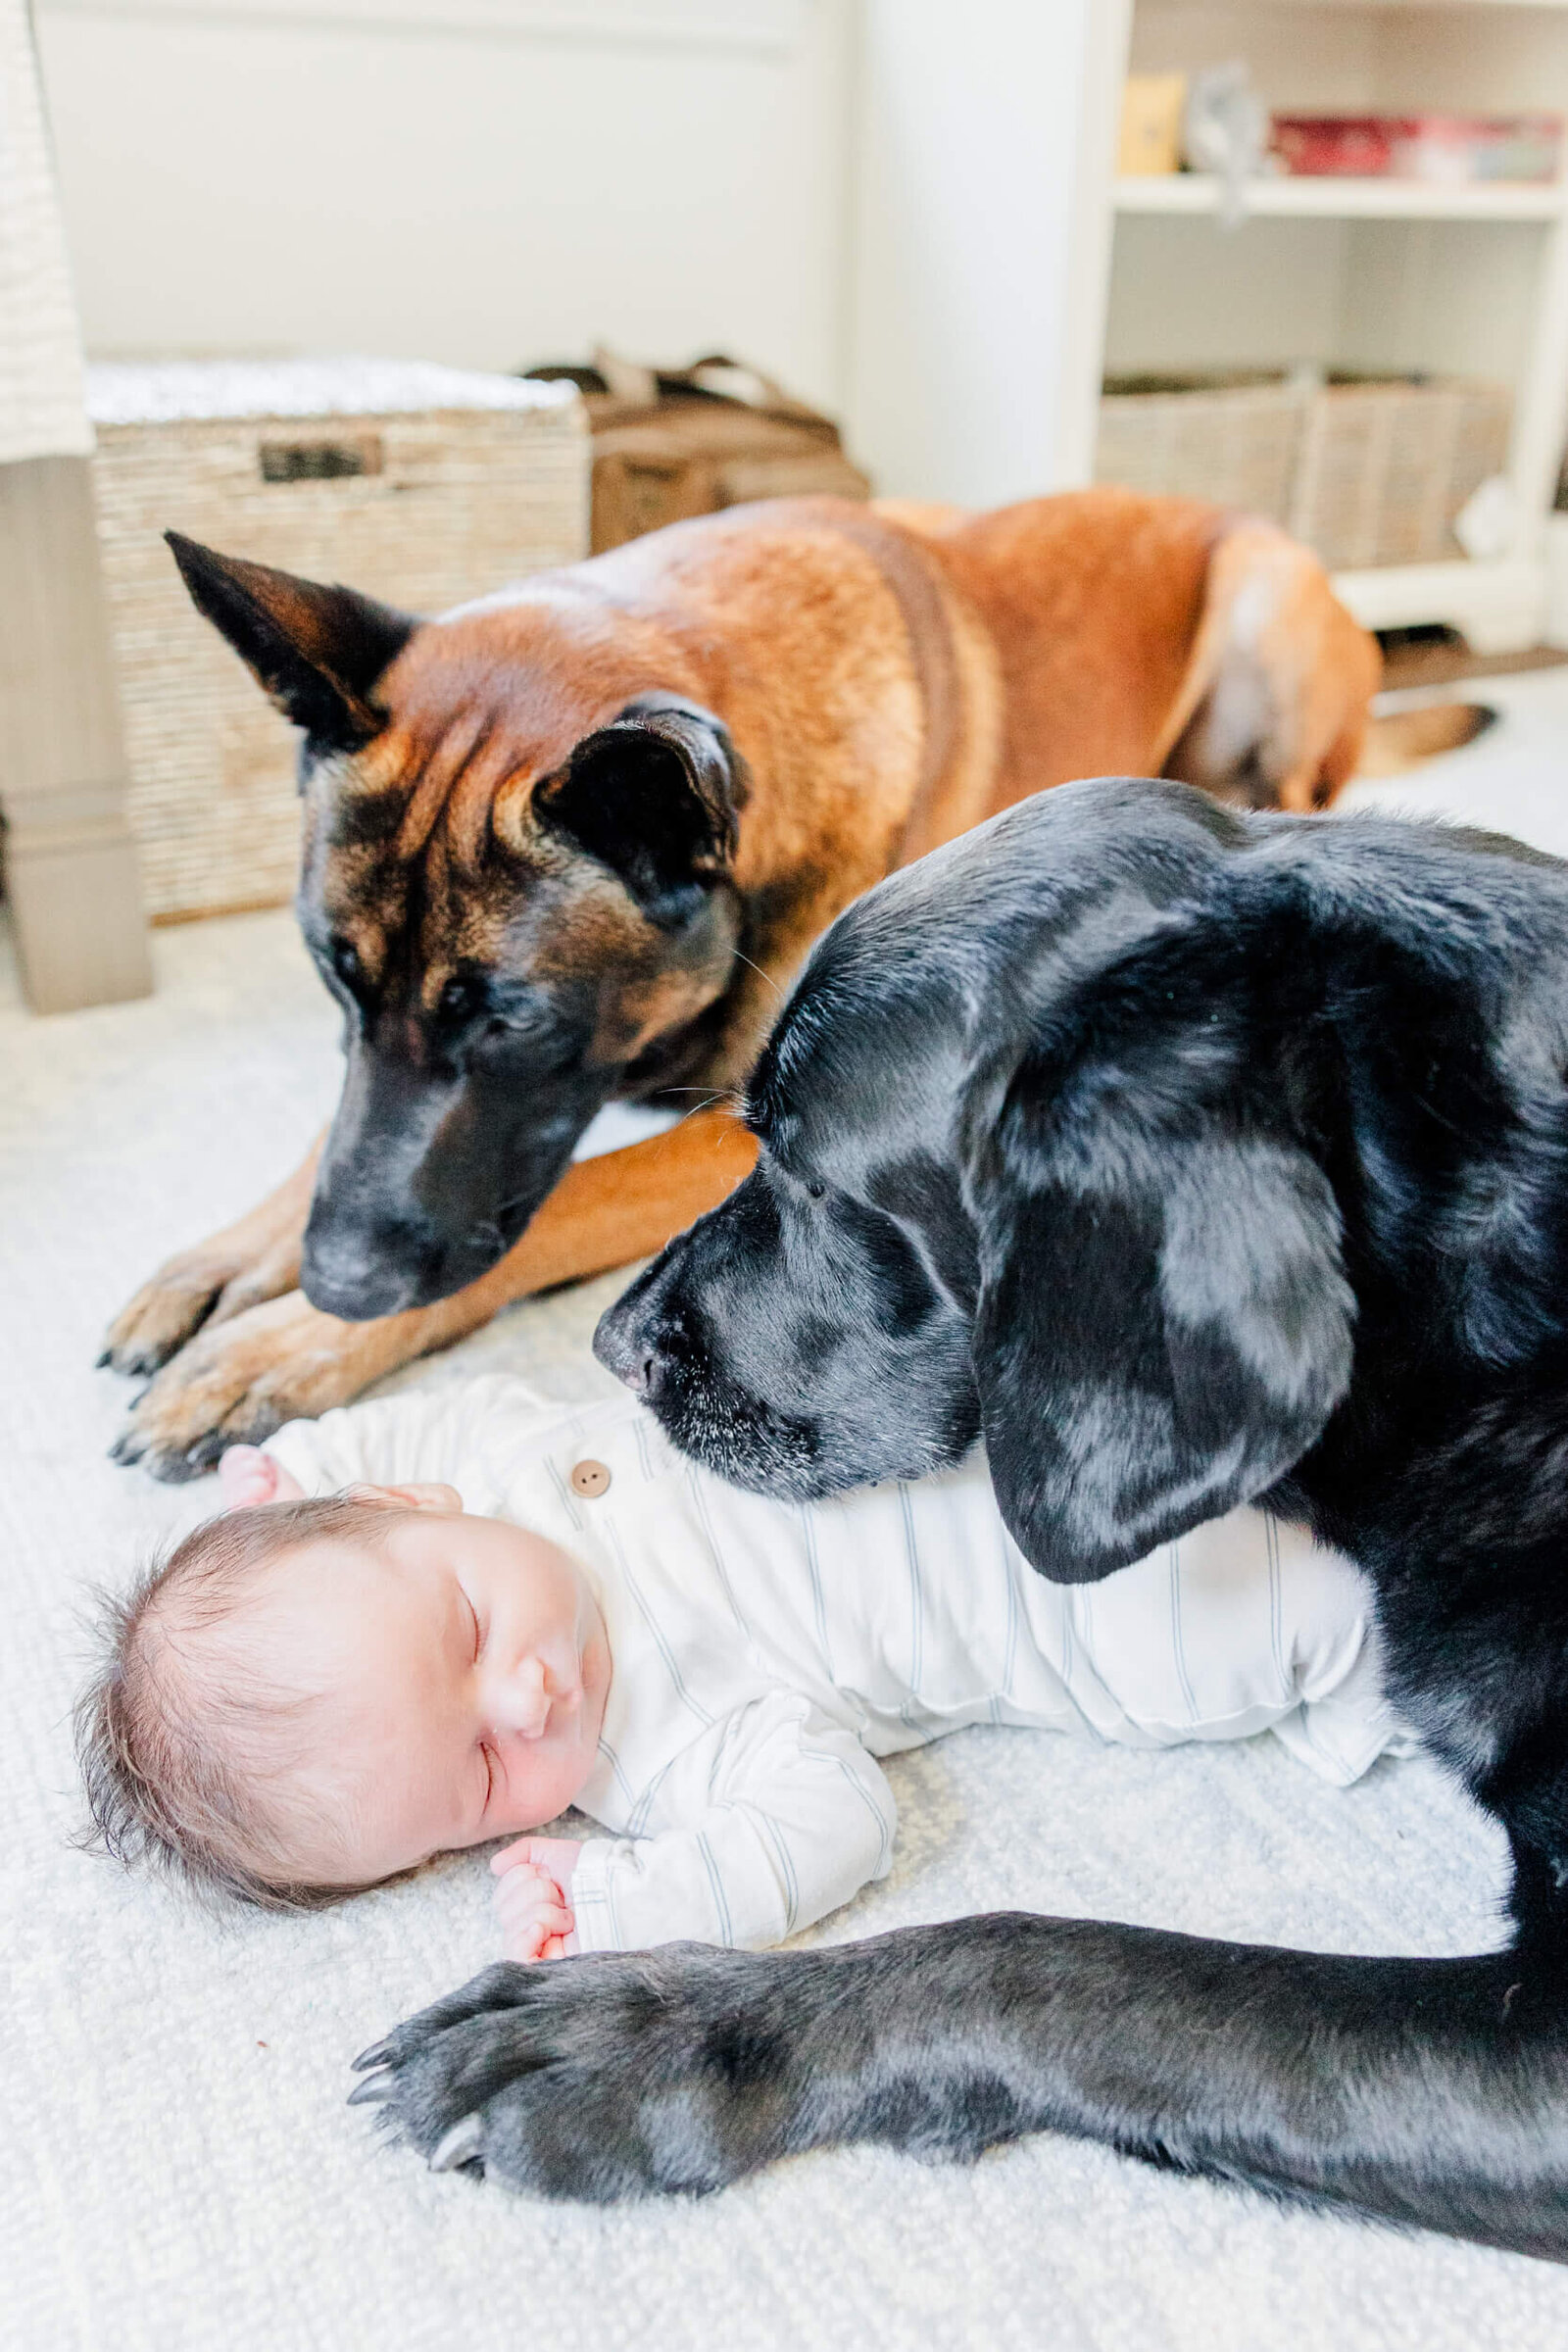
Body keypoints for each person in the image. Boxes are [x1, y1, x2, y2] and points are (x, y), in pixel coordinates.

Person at [77, 1375, 1409, 1962]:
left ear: (409, 1503)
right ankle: (1401, 1650)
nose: (527, 1699)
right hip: (1075, 1603)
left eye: (470, 1637)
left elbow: (414, 1427)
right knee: (1308, 1599)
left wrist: (296, 1467)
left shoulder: (490, 1457)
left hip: (999, 1392)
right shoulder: (665, 1756)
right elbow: (836, 1825)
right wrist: (637, 1901)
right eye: (482, 1773)